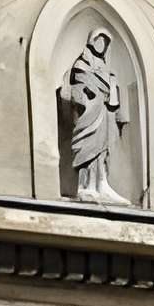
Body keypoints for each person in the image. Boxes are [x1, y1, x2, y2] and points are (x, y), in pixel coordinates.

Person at [60, 28, 129, 203]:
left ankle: (101, 183)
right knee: (87, 146)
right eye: (98, 40)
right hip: (88, 115)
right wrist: (95, 89)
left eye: (104, 42)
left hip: (103, 116)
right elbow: (77, 91)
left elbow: (113, 103)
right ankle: (86, 186)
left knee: (102, 149)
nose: (101, 44)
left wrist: (111, 85)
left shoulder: (107, 71)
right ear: (92, 41)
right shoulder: (81, 64)